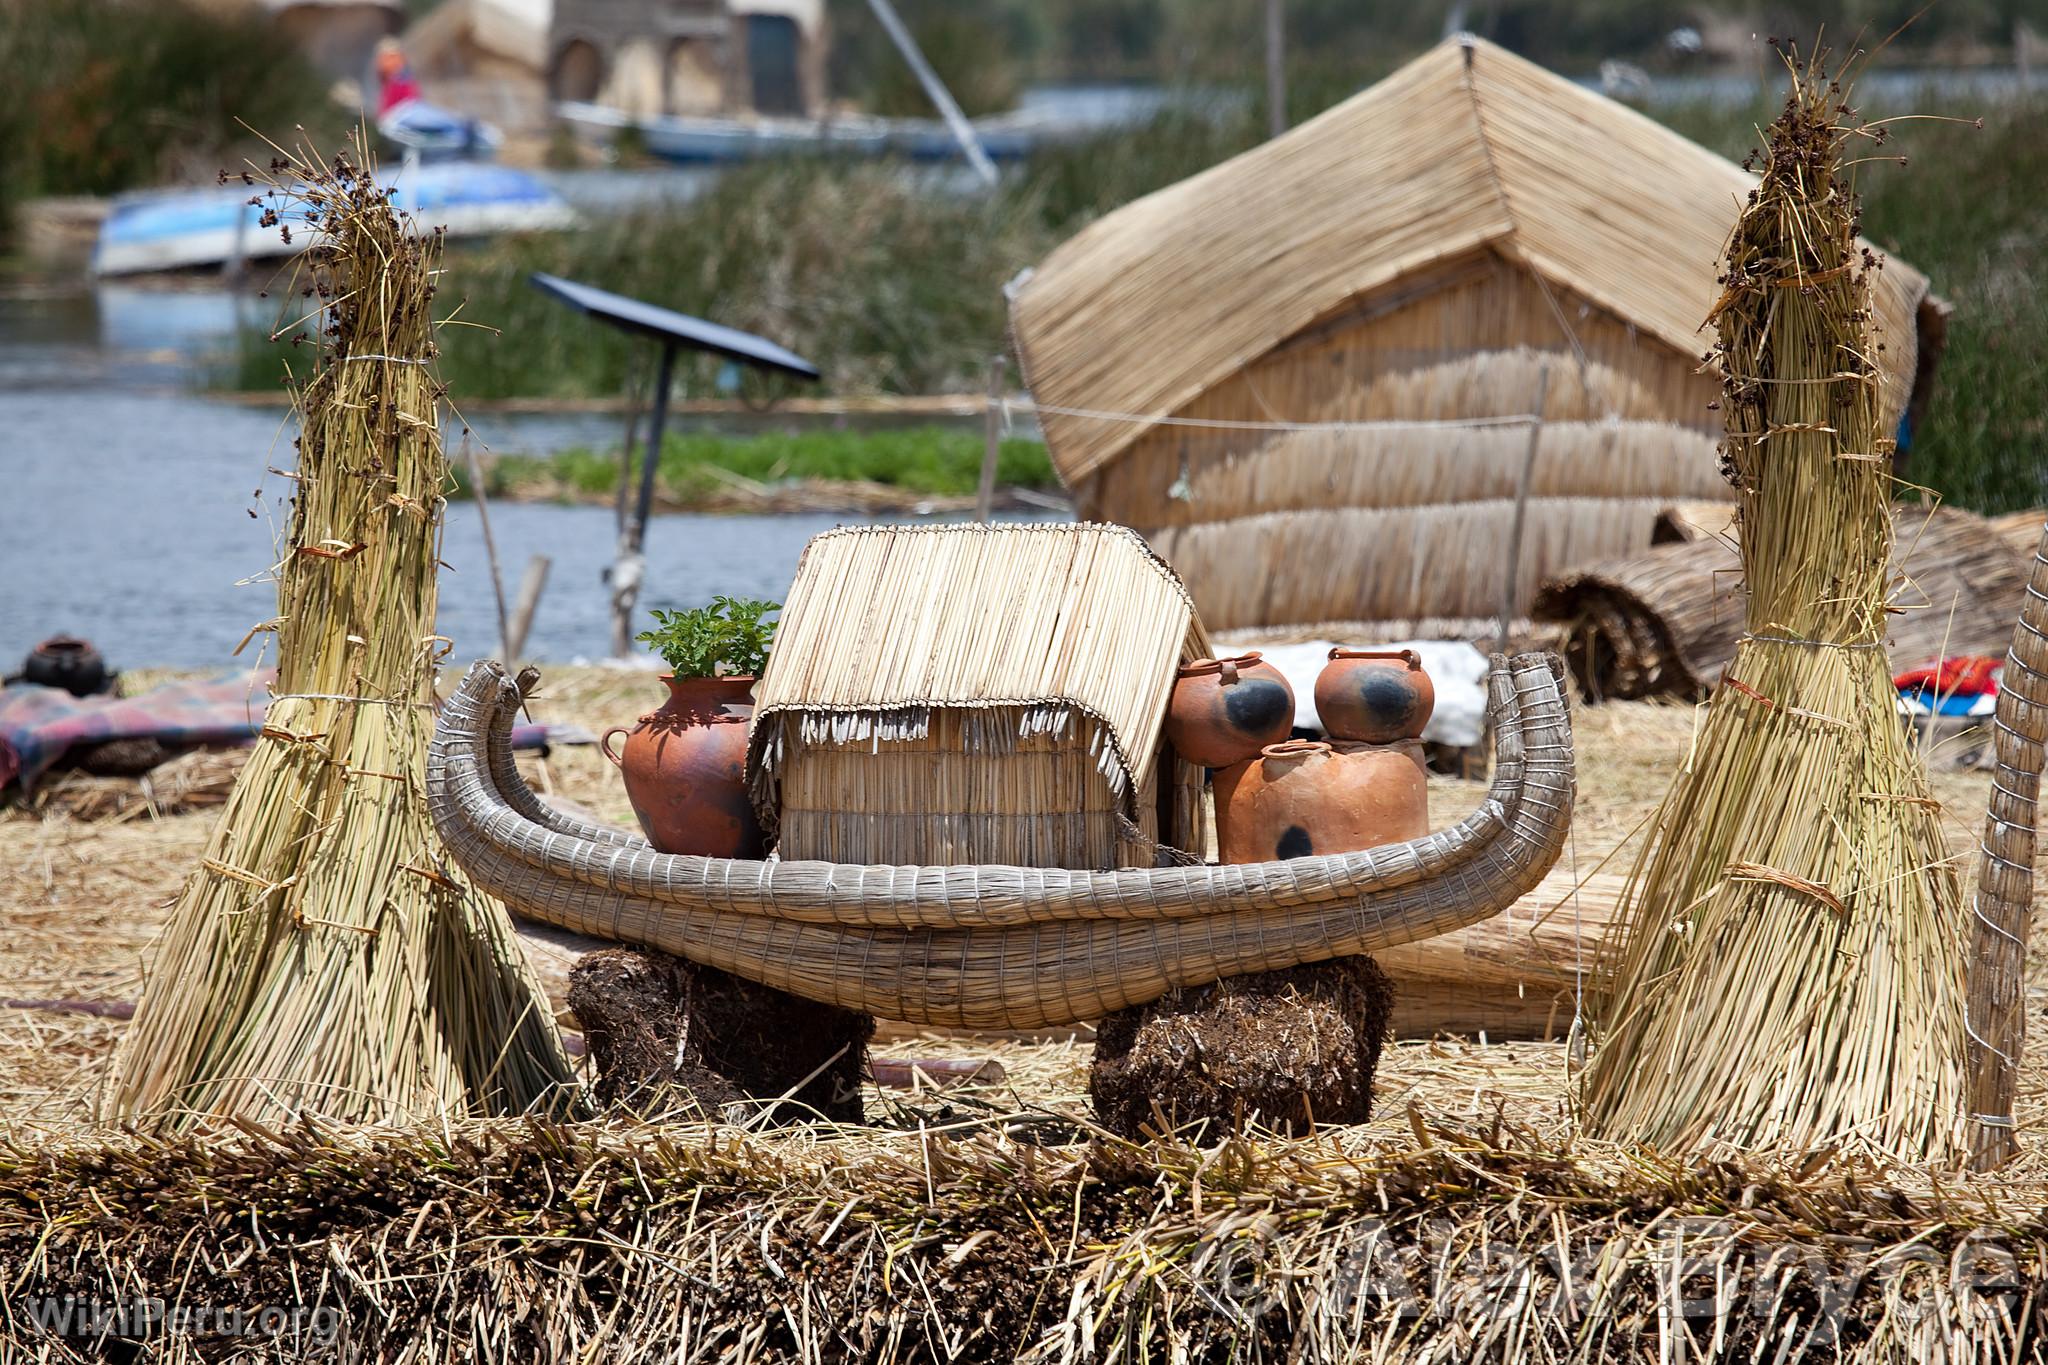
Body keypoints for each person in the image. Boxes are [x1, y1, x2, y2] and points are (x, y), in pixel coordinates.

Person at [374, 36, 421, 119]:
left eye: (391, 57)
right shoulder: (387, 83)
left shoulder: (403, 82)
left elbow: (411, 108)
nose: (384, 62)